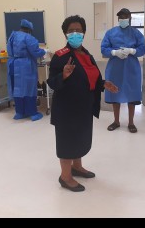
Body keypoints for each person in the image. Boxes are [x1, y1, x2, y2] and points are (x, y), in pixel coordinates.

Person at [47, 15, 118, 192]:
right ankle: (65, 176)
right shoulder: (60, 56)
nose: (75, 33)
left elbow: (93, 78)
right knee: (67, 141)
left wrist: (103, 84)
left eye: (78, 30)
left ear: (84, 32)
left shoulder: (87, 55)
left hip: (84, 107)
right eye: (71, 31)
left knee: (80, 139)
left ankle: (76, 167)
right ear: (65, 33)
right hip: (67, 109)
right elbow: (52, 82)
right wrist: (63, 75)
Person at [101, 8, 145, 133]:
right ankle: (116, 121)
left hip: (131, 68)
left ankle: (131, 123)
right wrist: (114, 52)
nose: (122, 19)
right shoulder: (110, 33)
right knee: (115, 93)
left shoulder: (136, 33)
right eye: (120, 17)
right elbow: (103, 49)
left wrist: (132, 51)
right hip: (114, 68)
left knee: (132, 94)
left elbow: (143, 49)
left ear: (130, 18)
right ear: (118, 19)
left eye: (125, 17)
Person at [7, 19, 51, 121]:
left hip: (13, 64)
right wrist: (44, 51)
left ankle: (19, 113)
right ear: (29, 30)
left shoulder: (12, 36)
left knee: (17, 89)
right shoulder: (28, 37)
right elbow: (35, 52)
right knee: (29, 89)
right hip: (25, 66)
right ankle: (32, 113)